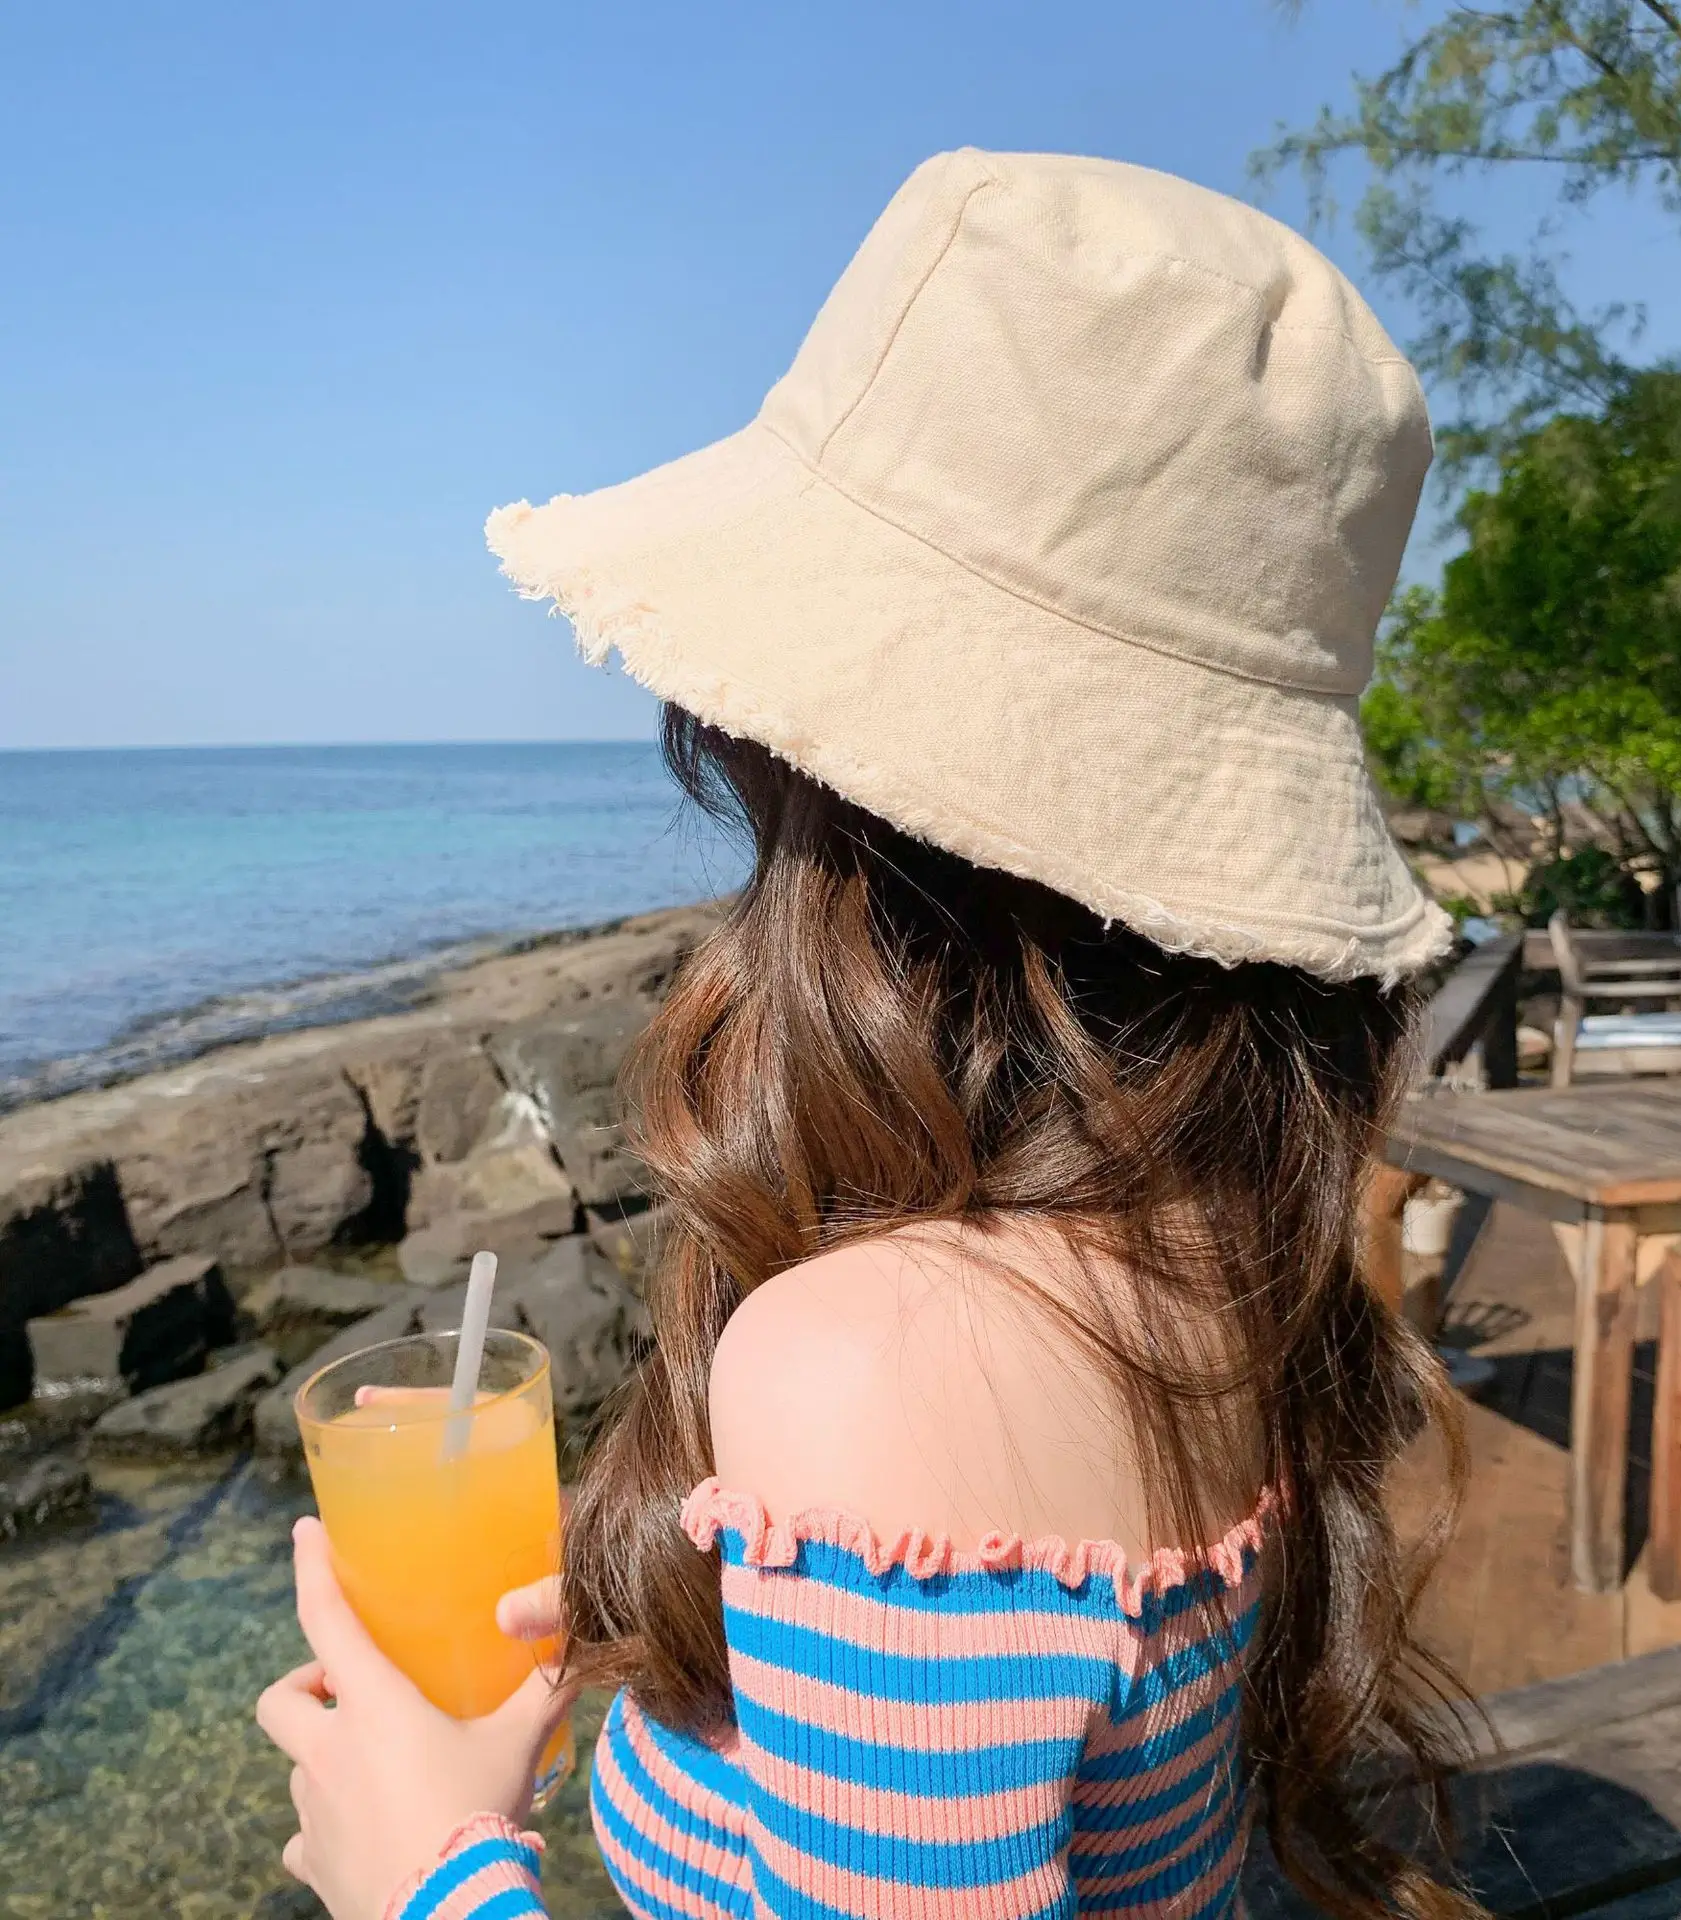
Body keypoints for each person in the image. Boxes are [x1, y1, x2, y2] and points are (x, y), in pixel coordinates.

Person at [257, 149, 1472, 1920]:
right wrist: (692, 1585)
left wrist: (430, 1875)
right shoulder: (1208, 1233)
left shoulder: (879, 1371)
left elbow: (935, 1486)